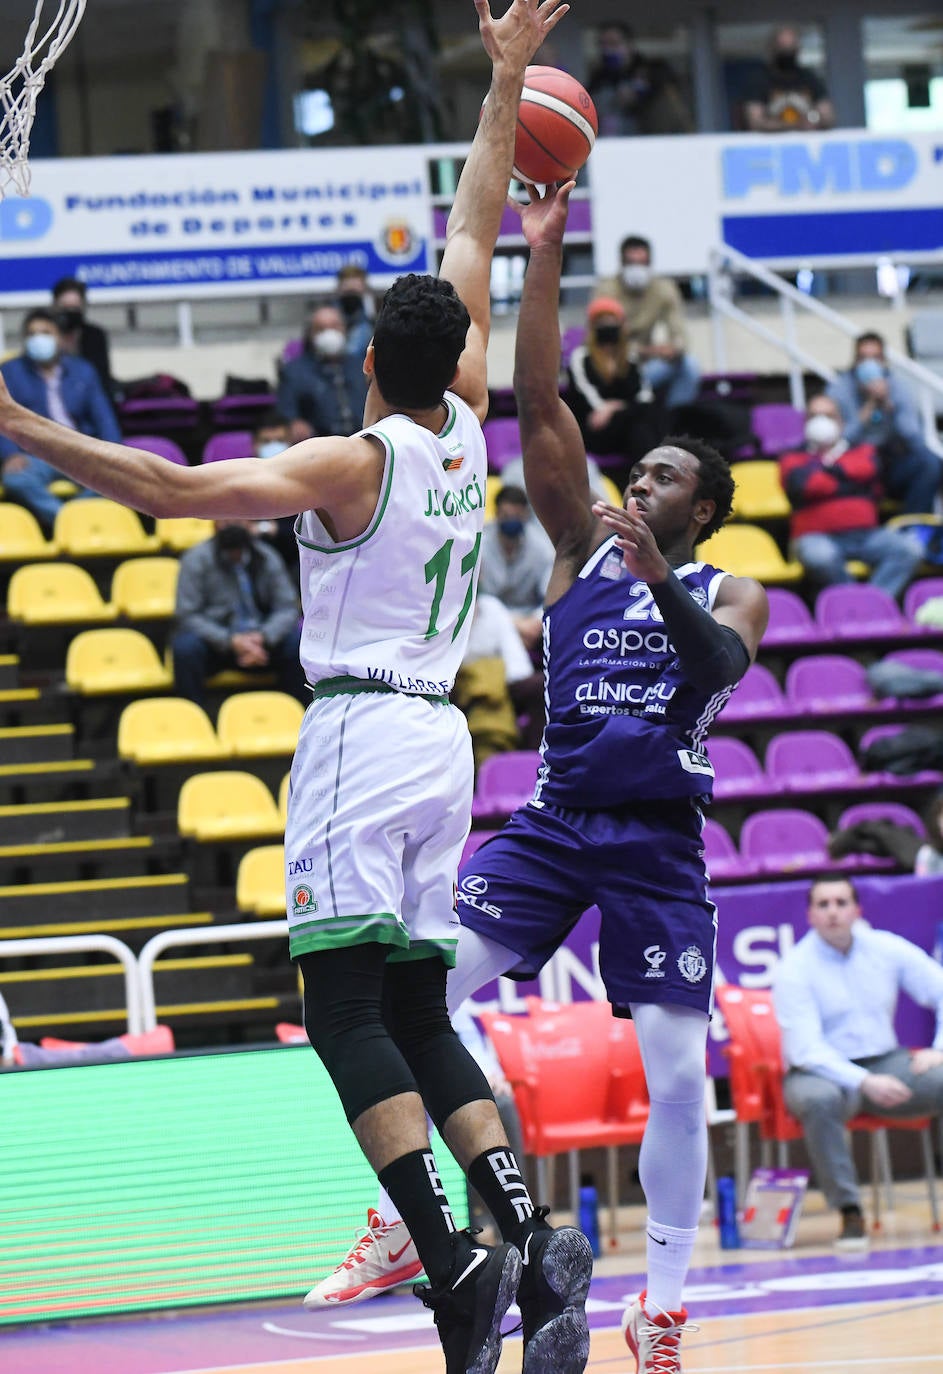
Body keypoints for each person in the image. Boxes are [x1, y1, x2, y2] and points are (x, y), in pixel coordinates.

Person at [0, 8, 591, 1374]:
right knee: (417, 1012)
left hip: (359, 731)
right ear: (452, 351)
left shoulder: (354, 454)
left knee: (337, 1014)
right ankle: (529, 1228)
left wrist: (25, 426)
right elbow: (475, 219)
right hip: (446, 744)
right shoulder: (465, 416)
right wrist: (503, 75)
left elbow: (173, 488)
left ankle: (453, 1263)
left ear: (370, 362)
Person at [317, 181, 769, 1374]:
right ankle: (423, 1223)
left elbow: (717, 665)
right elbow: (532, 399)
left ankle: (659, 1307)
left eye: (666, 477)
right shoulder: (576, 544)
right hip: (556, 821)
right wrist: (543, 245)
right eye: (642, 471)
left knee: (678, 1075)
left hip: (659, 842)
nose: (643, 482)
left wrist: (658, 574)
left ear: (704, 508)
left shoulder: (730, 590)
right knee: (424, 994)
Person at [772, 875, 943, 1250]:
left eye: (840, 902)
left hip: (887, 1063)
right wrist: (864, 1081)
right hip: (818, 1073)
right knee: (820, 1101)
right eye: (823, 904)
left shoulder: (885, 947)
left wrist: (939, 1047)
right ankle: (849, 1211)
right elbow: (806, 1049)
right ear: (810, 915)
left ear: (857, 909)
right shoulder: (794, 968)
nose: (833, 912)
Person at [779, 393, 924, 600]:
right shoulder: (791, 457)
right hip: (815, 537)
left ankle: (871, 606)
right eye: (814, 416)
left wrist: (824, 472)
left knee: (909, 549)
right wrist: (847, 479)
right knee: (820, 557)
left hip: (866, 535)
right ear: (805, 423)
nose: (821, 422)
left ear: (841, 421)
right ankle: (854, 605)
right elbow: (805, 485)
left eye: (828, 416)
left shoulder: (863, 450)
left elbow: (868, 469)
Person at [0, 308, 122, 533]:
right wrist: (10, 454)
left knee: (116, 476)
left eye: (45, 333)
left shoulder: (83, 371)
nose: (39, 339)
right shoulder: (9, 371)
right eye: (32, 334)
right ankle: (68, 522)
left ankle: (74, 515)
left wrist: (113, 453)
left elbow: (104, 418)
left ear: (60, 337)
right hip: (35, 455)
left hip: (79, 450)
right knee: (16, 480)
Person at [171, 519, 306, 707]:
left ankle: (299, 714)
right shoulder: (195, 559)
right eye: (225, 520)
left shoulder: (267, 556)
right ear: (214, 524)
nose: (232, 525)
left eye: (238, 520)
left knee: (298, 644)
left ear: (250, 523)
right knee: (185, 648)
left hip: (263, 642)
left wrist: (264, 637)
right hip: (218, 646)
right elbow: (187, 614)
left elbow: (287, 607)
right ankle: (192, 718)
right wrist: (230, 641)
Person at [826, 332, 942, 516]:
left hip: (889, 460)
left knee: (929, 463)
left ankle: (913, 529)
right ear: (854, 361)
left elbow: (914, 438)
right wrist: (868, 407)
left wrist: (889, 405)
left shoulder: (897, 386)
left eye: (875, 358)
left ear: (884, 361)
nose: (869, 364)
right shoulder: (839, 389)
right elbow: (837, 442)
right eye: (863, 358)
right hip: (855, 460)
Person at [595, 237, 700, 411]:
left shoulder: (663, 289)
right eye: (631, 263)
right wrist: (650, 351)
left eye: (642, 263)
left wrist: (674, 349)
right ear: (621, 263)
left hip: (646, 367)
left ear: (650, 263)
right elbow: (604, 344)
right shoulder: (606, 290)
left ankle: (674, 424)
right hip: (614, 368)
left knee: (689, 366)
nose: (637, 269)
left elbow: (680, 336)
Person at [565, 297, 663, 471]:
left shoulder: (629, 358)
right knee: (639, 426)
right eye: (602, 322)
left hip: (628, 425)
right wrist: (611, 408)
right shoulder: (581, 358)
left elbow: (645, 397)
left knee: (645, 422)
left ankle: (649, 475)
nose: (607, 327)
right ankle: (654, 475)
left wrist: (613, 407)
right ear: (592, 326)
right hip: (597, 430)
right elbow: (587, 401)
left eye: (612, 321)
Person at [454, 591, 545, 765]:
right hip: (460, 685)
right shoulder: (440, 611)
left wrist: (497, 682)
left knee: (541, 686)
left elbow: (518, 664)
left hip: (503, 682)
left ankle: (534, 762)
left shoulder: (491, 607)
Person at [277, 303, 370, 444]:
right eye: (321, 329)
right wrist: (294, 423)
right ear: (310, 334)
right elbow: (286, 411)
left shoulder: (363, 366)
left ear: (344, 329)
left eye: (334, 326)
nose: (329, 334)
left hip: (364, 440)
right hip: (319, 445)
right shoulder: (294, 371)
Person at [478, 484, 554, 652]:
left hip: (531, 623)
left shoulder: (542, 548)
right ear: (496, 514)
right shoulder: (479, 546)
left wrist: (534, 622)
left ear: (526, 516)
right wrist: (513, 625)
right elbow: (476, 600)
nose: (511, 520)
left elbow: (551, 596)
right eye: (506, 515)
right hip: (489, 620)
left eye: (516, 516)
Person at [586, 21, 692, 137]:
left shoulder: (652, 69)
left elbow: (669, 81)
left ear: (629, 45)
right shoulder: (598, 78)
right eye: (603, 45)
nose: (608, 50)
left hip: (654, 137)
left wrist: (640, 90)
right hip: (614, 142)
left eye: (614, 44)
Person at [743, 27, 835, 133]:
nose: (787, 54)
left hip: (807, 144)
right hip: (773, 146)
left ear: (798, 49)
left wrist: (815, 119)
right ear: (772, 49)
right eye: (783, 48)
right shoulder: (759, 79)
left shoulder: (809, 78)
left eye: (791, 49)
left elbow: (828, 117)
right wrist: (794, 125)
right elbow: (755, 122)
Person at [51, 276, 116, 399]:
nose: (70, 313)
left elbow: (100, 377)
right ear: (55, 306)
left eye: (75, 308)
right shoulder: (47, 334)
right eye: (65, 308)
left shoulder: (95, 336)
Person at [335, 264, 376, 359]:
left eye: (354, 291)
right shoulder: (330, 314)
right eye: (348, 291)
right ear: (339, 289)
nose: (351, 298)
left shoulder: (373, 314)